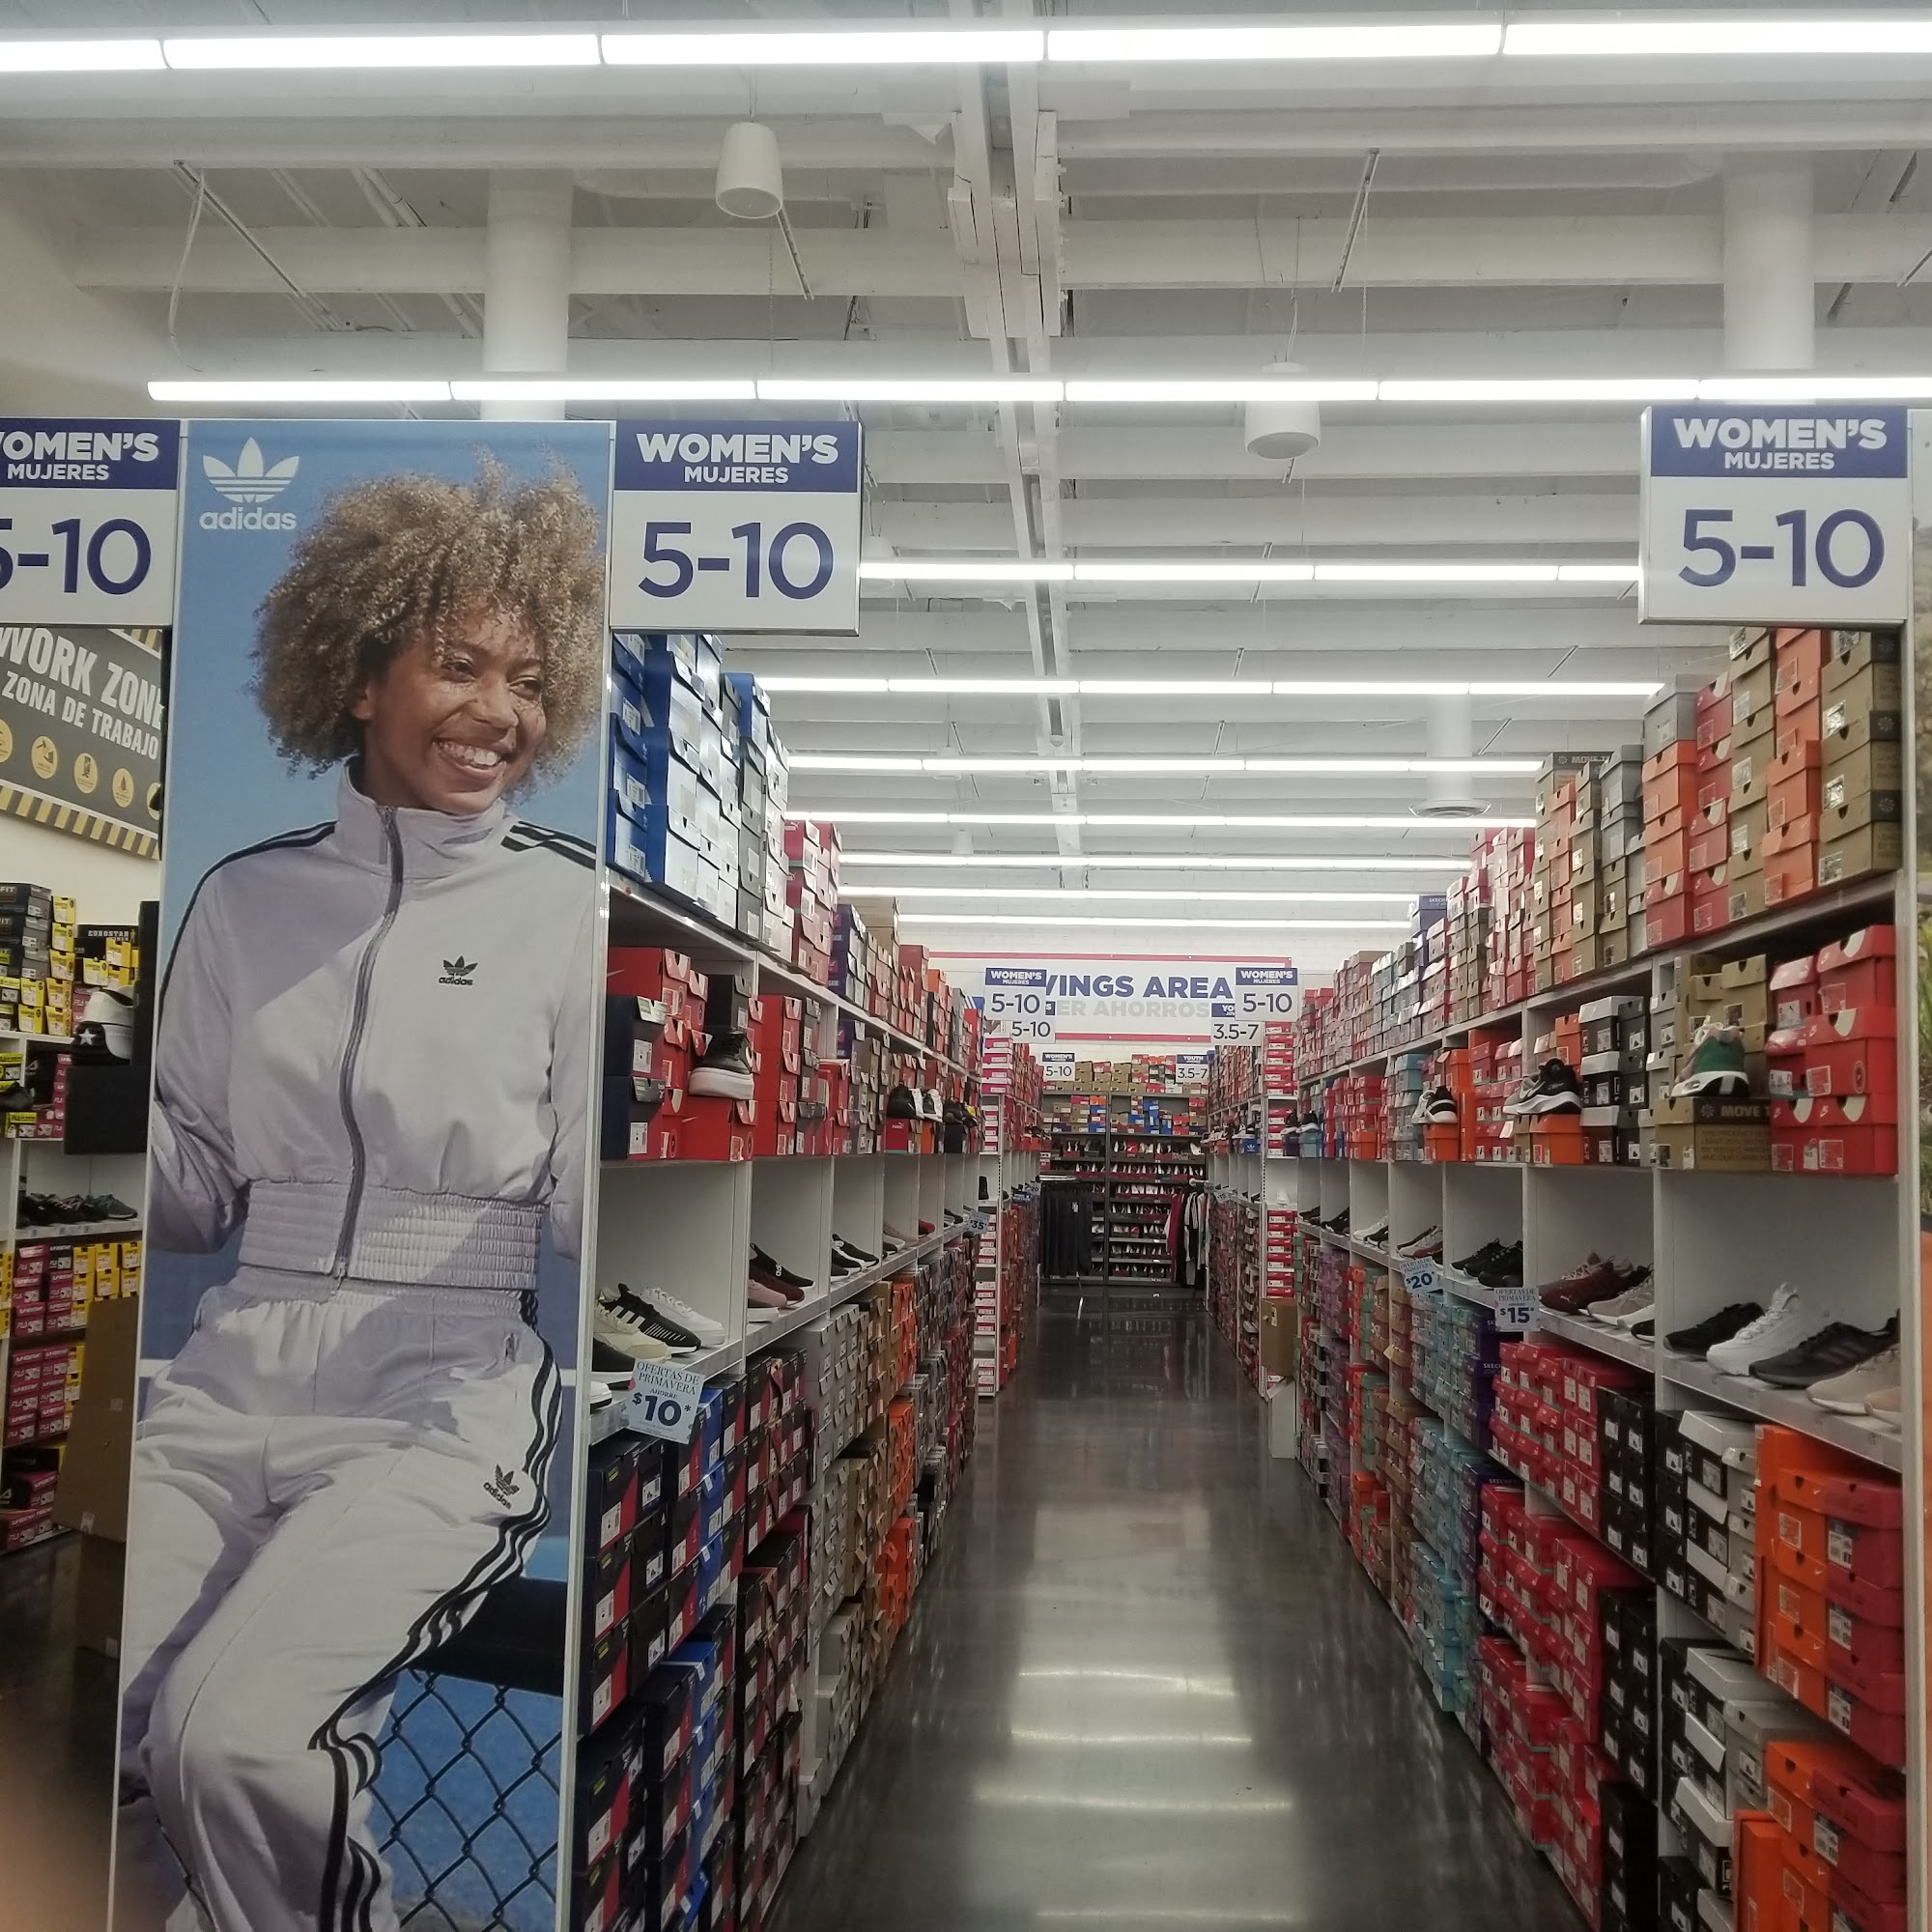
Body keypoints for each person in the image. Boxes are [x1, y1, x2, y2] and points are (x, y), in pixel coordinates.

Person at [117, 462, 606, 1932]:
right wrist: (75, 1117)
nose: (499, 712)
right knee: (107, 1735)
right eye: (459, 665)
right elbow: (191, 1192)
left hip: (445, 1384)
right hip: (229, 1368)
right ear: (358, 672)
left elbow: (583, 1200)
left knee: (236, 1738)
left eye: (528, 681)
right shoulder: (243, 899)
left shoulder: (569, 910)